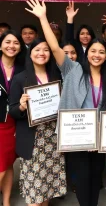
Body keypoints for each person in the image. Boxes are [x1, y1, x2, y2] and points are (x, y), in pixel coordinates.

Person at [23, 0, 106, 206]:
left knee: (95, 178)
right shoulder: (73, 70)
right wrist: (43, 18)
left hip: (99, 137)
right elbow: (55, 48)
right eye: (93, 51)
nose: (97, 55)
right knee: (81, 180)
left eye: (101, 52)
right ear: (86, 54)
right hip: (76, 135)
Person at [9, 36, 66, 206]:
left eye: (46, 49)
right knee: (34, 191)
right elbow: (12, 110)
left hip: (53, 139)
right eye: (37, 49)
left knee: (47, 186)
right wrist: (20, 106)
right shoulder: (20, 78)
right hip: (32, 140)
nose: (42, 53)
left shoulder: (57, 75)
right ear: (30, 52)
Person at [0, 30, 26, 206]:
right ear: (1, 44)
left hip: (14, 121)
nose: (11, 46)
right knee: (2, 164)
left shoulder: (23, 68)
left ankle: (6, 201)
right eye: (8, 42)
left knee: (8, 163)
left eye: (16, 43)